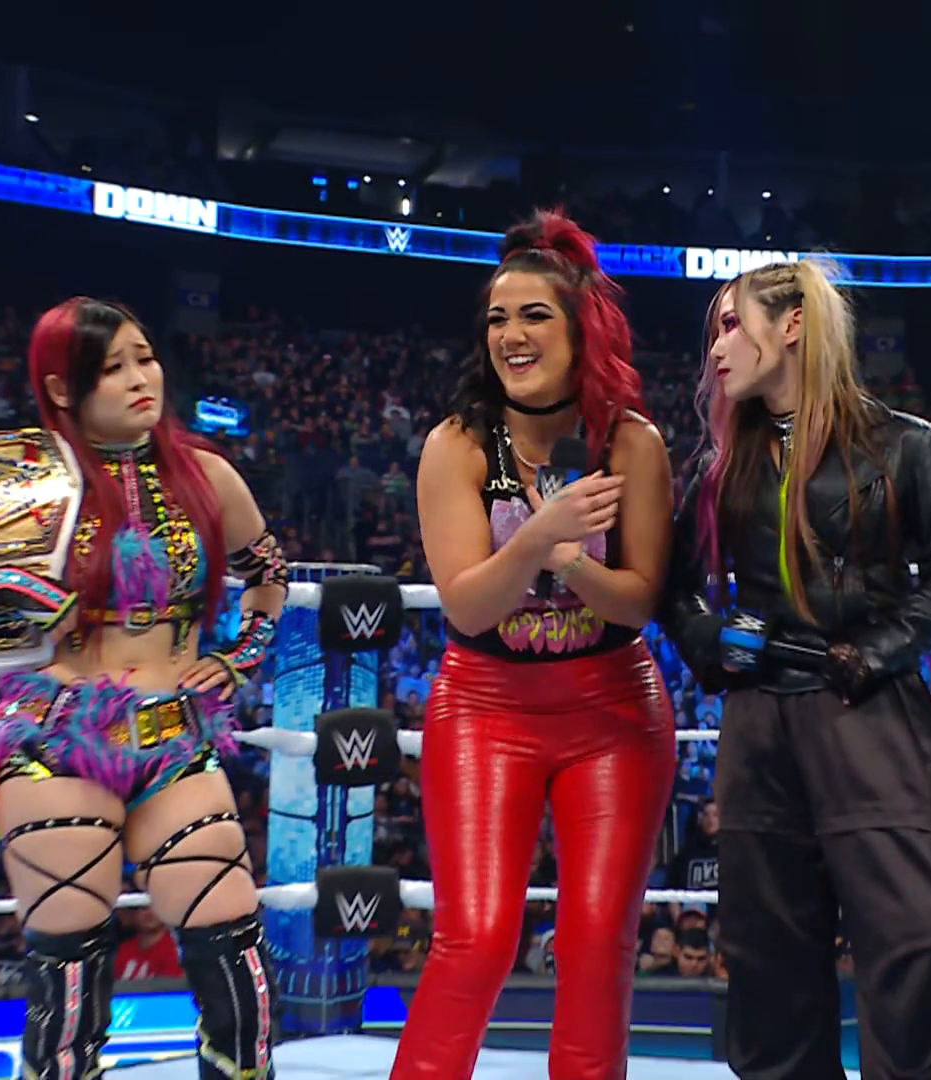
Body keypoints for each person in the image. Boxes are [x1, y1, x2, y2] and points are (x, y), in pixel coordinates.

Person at [0, 297, 285, 1080]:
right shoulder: (22, 477)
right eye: (113, 368)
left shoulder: (205, 473)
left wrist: (241, 656)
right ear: (61, 388)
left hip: (176, 734)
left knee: (236, 955)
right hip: (57, 739)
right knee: (69, 980)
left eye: (146, 357)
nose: (141, 379)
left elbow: (267, 570)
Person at [663, 259, 931, 1079]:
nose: (716, 349)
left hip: (867, 708)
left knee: (911, 939)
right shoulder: (721, 464)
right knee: (767, 954)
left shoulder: (903, 444)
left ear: (793, 325)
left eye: (731, 324)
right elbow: (674, 587)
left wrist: (876, 650)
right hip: (760, 719)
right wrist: (714, 641)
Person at [392, 209, 676, 1080]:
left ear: (581, 329)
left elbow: (638, 600)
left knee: (597, 941)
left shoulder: (631, 441)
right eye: (497, 318)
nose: (510, 335)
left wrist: (570, 561)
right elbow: (469, 605)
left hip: (613, 707)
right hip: (486, 705)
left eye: (533, 315)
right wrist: (538, 537)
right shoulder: (456, 445)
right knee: (476, 938)